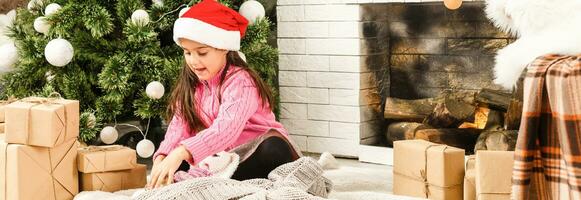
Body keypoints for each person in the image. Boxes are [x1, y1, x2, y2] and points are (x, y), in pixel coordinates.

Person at [147, 0, 301, 189]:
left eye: (202, 52)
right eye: (187, 53)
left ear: (225, 48)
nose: (193, 61)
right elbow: (179, 126)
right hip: (222, 156)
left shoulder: (241, 82)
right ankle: (213, 180)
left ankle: (213, 182)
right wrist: (162, 157)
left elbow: (225, 130)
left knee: (273, 148)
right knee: (177, 161)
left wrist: (181, 152)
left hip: (256, 151)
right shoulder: (191, 83)